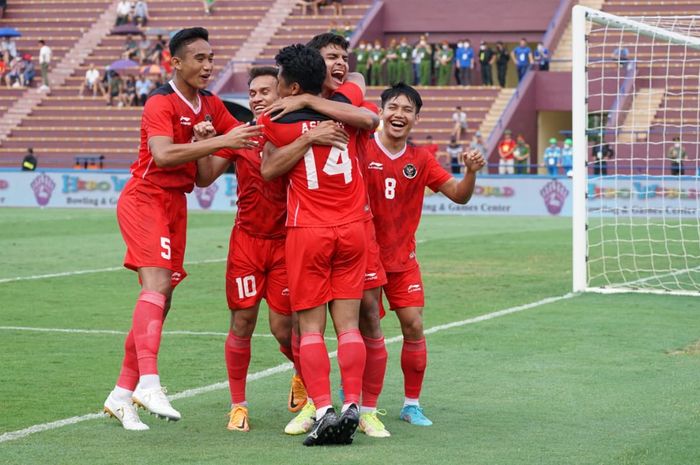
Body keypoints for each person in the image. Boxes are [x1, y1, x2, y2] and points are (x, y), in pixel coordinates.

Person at [102, 27, 263, 431]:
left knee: (162, 298)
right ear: (176, 62)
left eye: (211, 58)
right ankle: (150, 383)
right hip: (146, 198)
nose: (208, 66)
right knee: (155, 286)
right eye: (199, 58)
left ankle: (121, 394)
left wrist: (226, 142)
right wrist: (217, 140)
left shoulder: (210, 104)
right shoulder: (160, 101)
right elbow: (164, 154)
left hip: (175, 205)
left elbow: (207, 174)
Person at [258, 44, 377, 446]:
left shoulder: (276, 119)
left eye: (277, 80)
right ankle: (353, 406)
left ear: (290, 85)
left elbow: (269, 169)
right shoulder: (346, 115)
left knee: (310, 328)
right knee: (348, 326)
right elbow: (369, 118)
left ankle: (324, 409)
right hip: (353, 230)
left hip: (307, 230)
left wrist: (303, 112)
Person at [362, 83, 484, 426]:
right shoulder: (362, 150)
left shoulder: (421, 159)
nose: (399, 114)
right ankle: (356, 396)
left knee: (413, 326)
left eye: (407, 110)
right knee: (368, 327)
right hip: (364, 258)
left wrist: (471, 172)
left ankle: (411, 404)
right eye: (393, 107)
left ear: (416, 117)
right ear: (381, 111)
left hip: (403, 260)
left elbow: (459, 195)